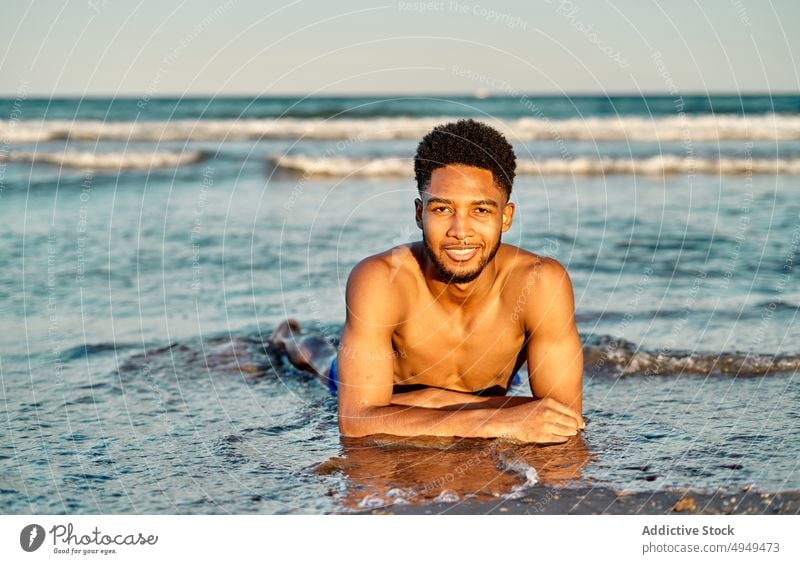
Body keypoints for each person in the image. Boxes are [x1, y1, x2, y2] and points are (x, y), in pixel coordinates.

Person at [272, 119, 584, 444]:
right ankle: (286, 338)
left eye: (480, 210)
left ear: (505, 217)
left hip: (409, 400)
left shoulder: (541, 283)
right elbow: (354, 421)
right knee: (316, 358)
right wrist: (494, 418)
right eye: (442, 209)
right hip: (369, 380)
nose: (460, 231)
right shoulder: (381, 279)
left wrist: (431, 401)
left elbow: (564, 419)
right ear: (420, 213)